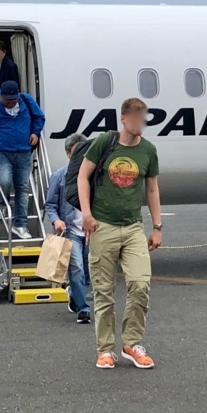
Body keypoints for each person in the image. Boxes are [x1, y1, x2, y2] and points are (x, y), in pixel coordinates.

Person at [78, 97, 162, 370]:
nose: (141, 123)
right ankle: (104, 348)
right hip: (103, 225)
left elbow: (152, 189)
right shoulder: (105, 142)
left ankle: (131, 342)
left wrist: (157, 226)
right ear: (124, 119)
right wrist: (87, 214)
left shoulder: (148, 151)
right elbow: (82, 176)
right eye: (137, 118)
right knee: (103, 291)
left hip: (133, 226)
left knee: (140, 283)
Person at [0, 81, 46, 239]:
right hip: (1, 151)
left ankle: (20, 225)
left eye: (14, 100)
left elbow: (39, 117)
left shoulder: (26, 101)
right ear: (1, 96)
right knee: (5, 181)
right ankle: (2, 202)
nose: (11, 103)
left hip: (23, 151)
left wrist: (35, 132)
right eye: (8, 100)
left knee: (22, 187)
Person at [46, 132, 92, 324]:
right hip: (71, 230)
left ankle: (74, 295)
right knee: (77, 269)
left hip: (91, 231)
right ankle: (83, 309)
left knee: (88, 273)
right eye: (77, 152)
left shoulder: (95, 175)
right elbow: (50, 205)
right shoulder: (59, 176)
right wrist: (56, 220)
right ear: (68, 154)